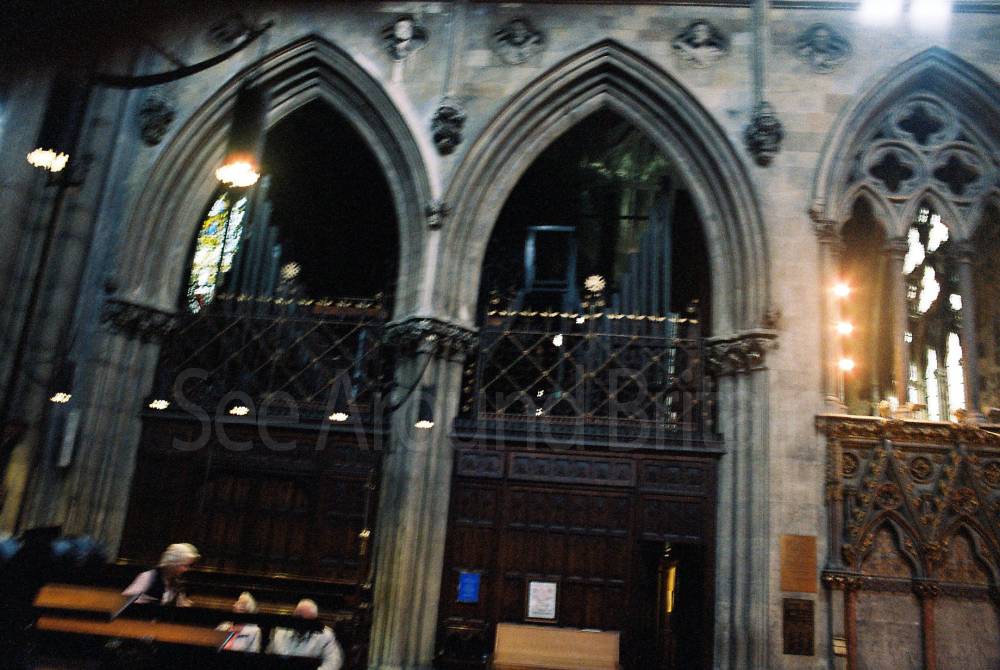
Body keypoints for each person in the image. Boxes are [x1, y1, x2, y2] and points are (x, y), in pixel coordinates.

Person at [267, 599, 343, 670]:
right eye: (297, 618)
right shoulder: (280, 630)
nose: (301, 624)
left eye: (306, 621)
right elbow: (270, 657)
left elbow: (333, 662)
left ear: (314, 621)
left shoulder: (326, 635)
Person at [121, 542, 199, 606]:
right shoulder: (148, 576)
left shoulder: (176, 582)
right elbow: (127, 600)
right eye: (184, 565)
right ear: (173, 563)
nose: (186, 569)